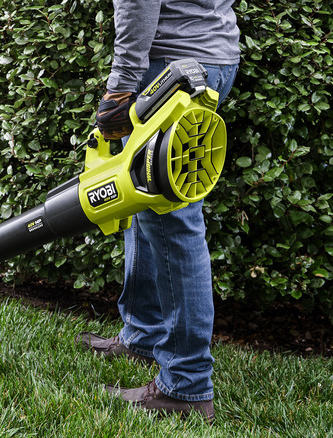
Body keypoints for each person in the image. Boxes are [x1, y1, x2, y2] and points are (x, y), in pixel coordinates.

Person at [76, 0, 241, 424]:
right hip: (212, 55)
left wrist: (121, 85)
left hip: (171, 66)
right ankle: (144, 335)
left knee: (171, 219)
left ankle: (185, 385)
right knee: (142, 200)